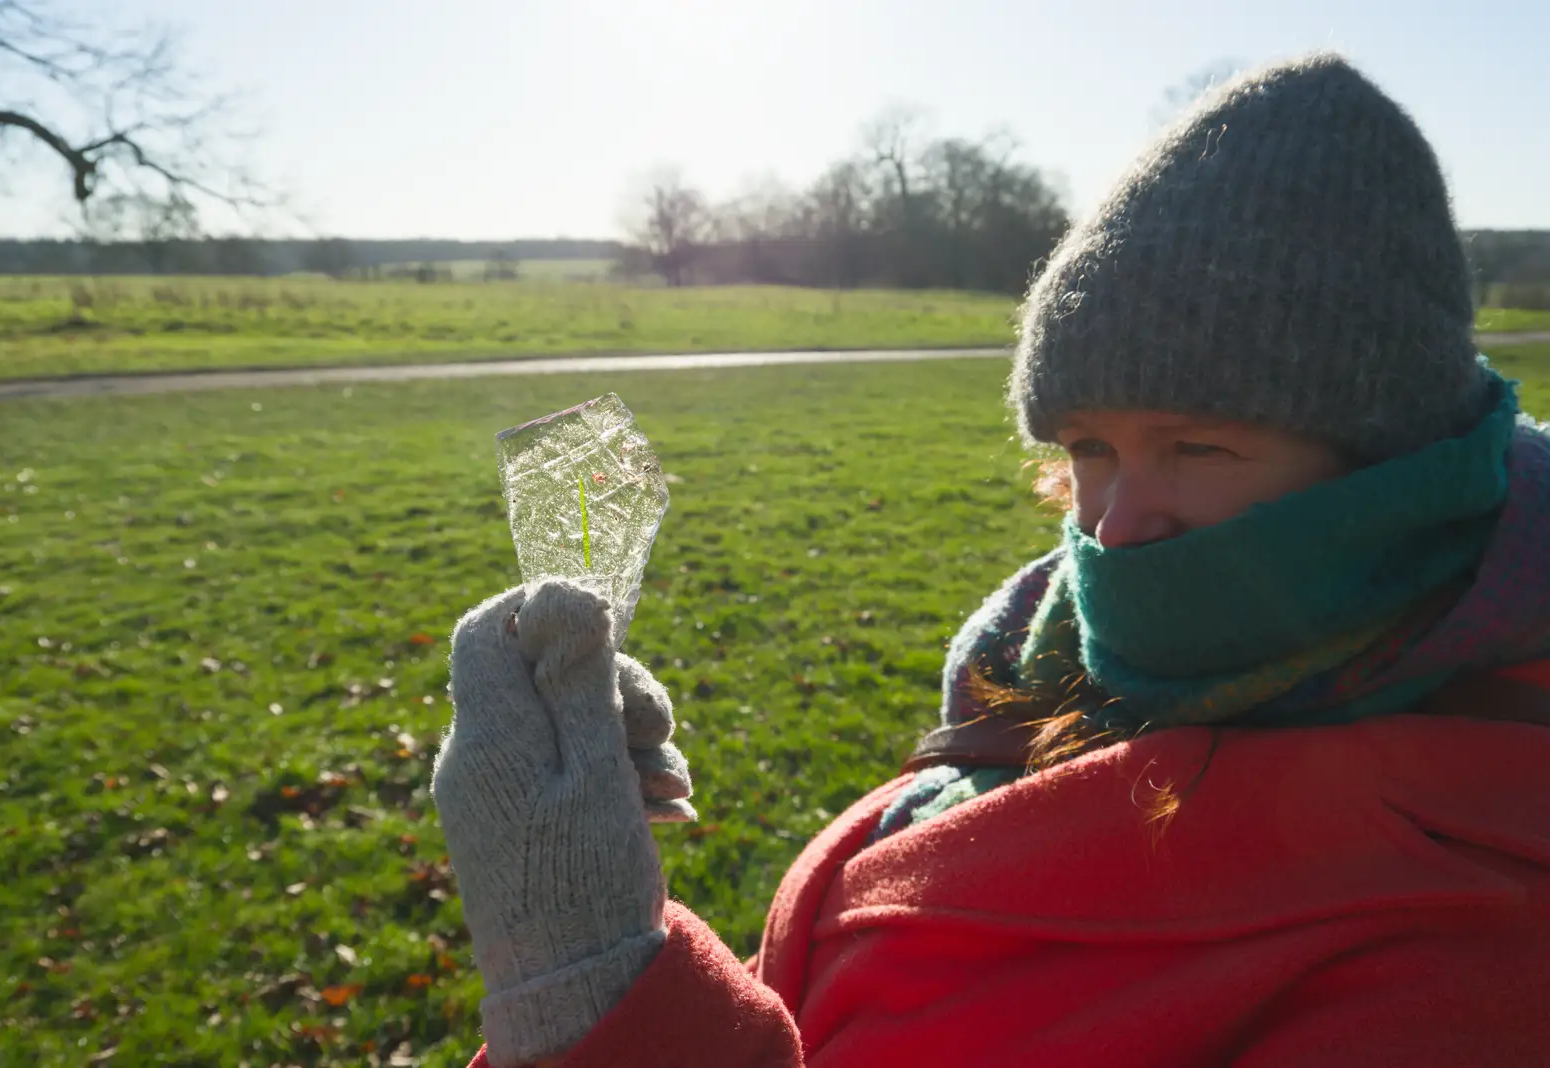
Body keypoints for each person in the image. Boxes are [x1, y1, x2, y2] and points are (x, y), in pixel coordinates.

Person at [431, 54, 1550, 1068]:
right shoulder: (1045, 661)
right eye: (1090, 448)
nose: (1111, 523)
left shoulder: (1471, 941)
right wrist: (610, 901)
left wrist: (593, 994)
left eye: (1197, 444)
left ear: (1387, 464)